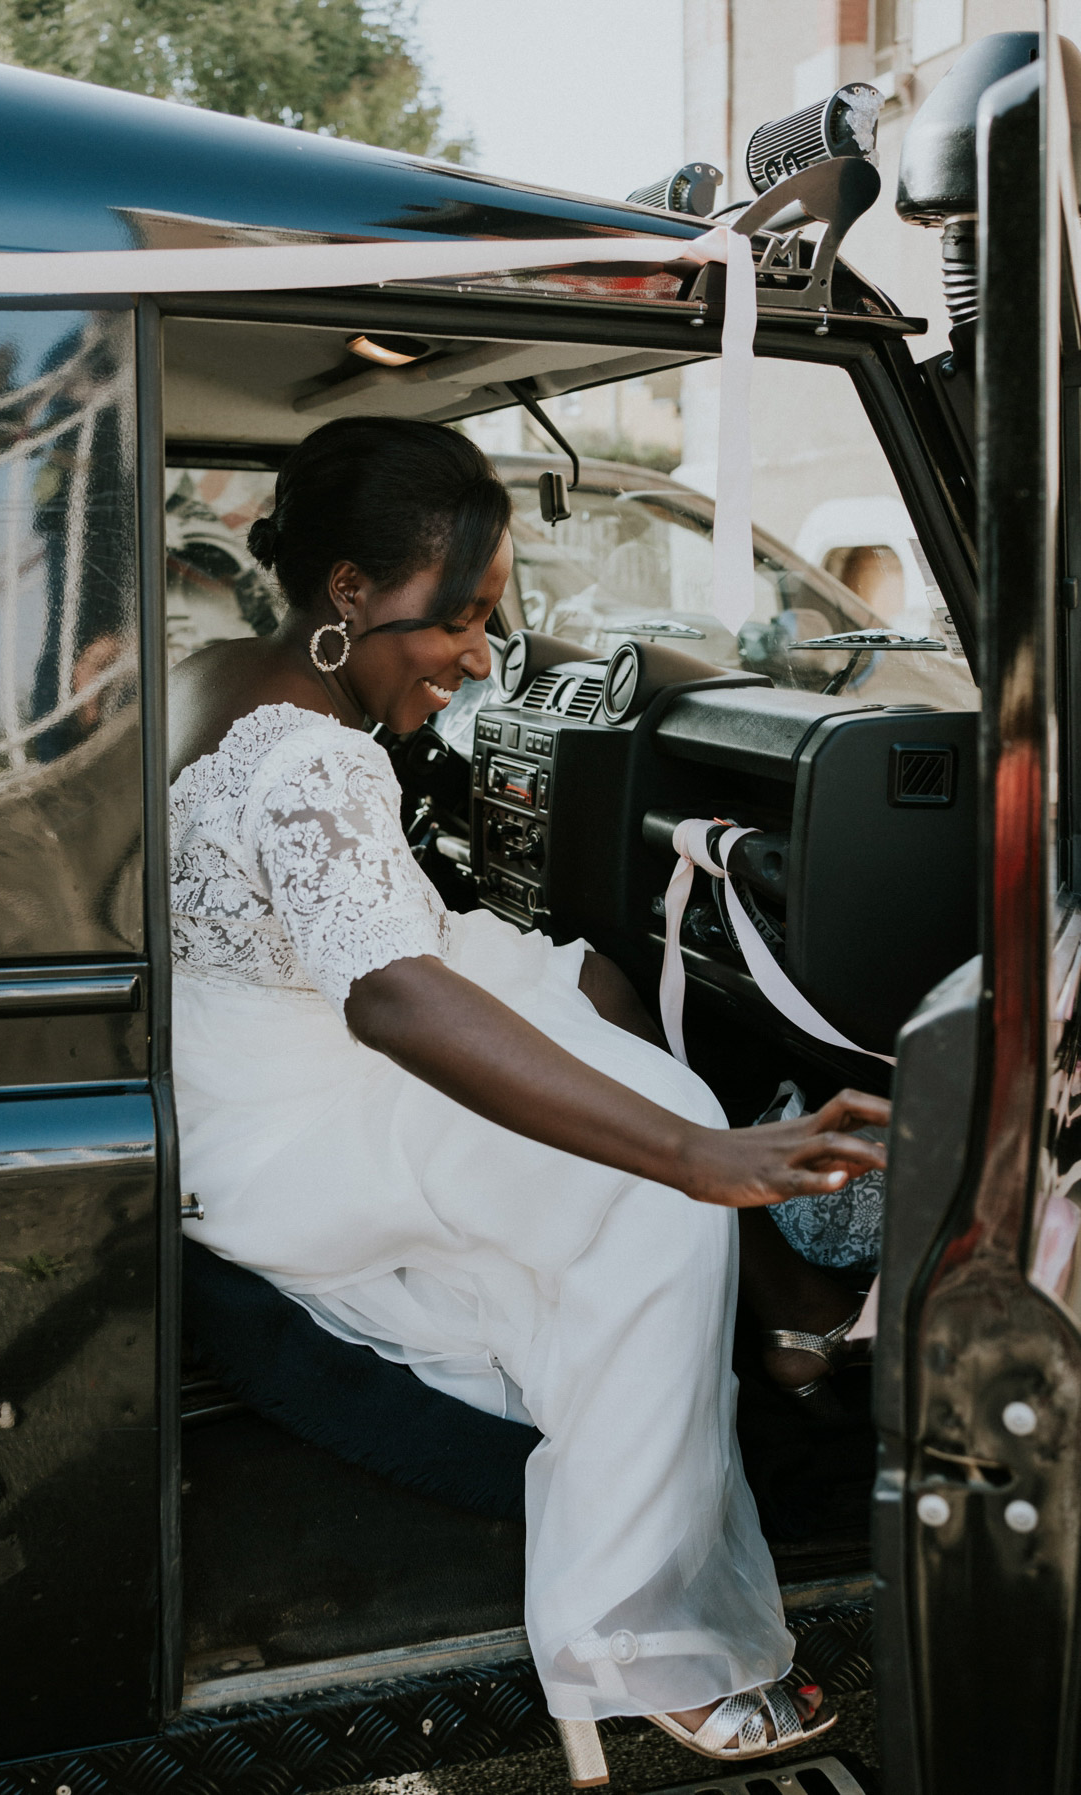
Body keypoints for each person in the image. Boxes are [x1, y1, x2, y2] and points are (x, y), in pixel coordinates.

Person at [167, 417, 889, 1773]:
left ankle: (781, 1312)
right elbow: (388, 997)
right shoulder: (308, 755)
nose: (486, 658)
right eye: (462, 620)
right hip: (295, 1121)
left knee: (587, 985)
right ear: (350, 595)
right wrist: (691, 1158)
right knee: (650, 1202)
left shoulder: (215, 671)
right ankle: (639, 1635)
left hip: (231, 1070)